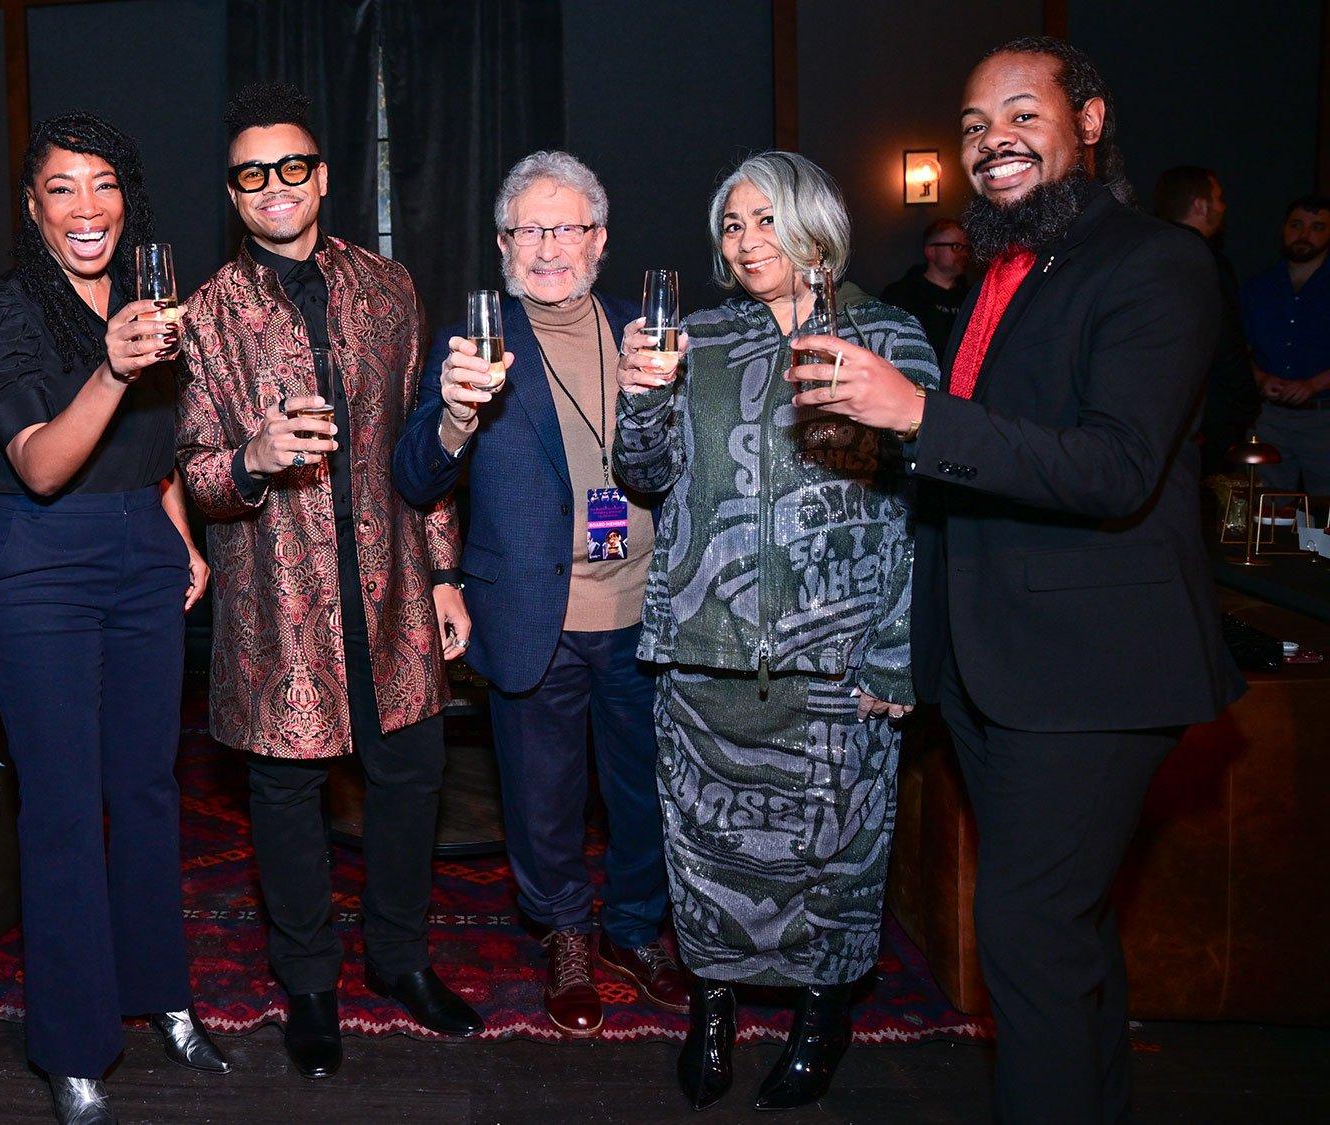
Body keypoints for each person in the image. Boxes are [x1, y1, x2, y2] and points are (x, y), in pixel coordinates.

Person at [787, 38, 1241, 1122]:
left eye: (1021, 115)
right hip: (1000, 670)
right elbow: (992, 456)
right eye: (974, 126)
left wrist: (918, 415)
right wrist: (896, 441)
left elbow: (1115, 467)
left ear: (1088, 121)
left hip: (1090, 674)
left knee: (1025, 935)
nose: (992, 140)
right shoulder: (1012, 271)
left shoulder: (1155, 262)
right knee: (1064, 933)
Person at [613, 150, 936, 1112]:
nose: (746, 242)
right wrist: (642, 398)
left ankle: (819, 1023)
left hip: (837, 658)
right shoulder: (696, 337)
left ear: (814, 225)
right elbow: (644, 475)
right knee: (704, 854)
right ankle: (711, 1014)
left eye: (765, 220)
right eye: (732, 224)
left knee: (837, 858)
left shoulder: (889, 335)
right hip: (705, 649)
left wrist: (894, 651)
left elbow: (920, 508)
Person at [176, 81, 483, 1081]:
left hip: (393, 583)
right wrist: (251, 459)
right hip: (276, 596)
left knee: (412, 775)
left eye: (292, 166)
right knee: (284, 792)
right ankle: (307, 983)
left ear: (321, 178)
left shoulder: (388, 289)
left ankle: (398, 958)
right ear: (232, 193)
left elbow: (423, 451)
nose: (274, 185)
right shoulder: (205, 317)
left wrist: (445, 573)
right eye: (251, 174)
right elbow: (194, 475)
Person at [0, 112, 223, 1125]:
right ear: (33, 209)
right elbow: (38, 464)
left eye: (102, 183)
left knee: (148, 788)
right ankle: (73, 1049)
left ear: (128, 200)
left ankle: (159, 990)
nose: (85, 206)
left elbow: (155, 451)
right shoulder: (1, 308)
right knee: (65, 806)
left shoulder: (149, 300)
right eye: (60, 187)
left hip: (138, 551)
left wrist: (179, 536)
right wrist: (112, 368)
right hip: (36, 563)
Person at [393, 150, 676, 1040]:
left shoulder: (647, 333)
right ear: (503, 245)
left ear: (599, 238)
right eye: (528, 230)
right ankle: (565, 935)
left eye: (566, 228)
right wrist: (453, 415)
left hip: (644, 614)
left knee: (644, 791)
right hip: (530, 615)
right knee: (543, 797)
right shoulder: (473, 348)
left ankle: (634, 928)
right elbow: (414, 477)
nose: (547, 247)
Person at [1153, 166, 1257, 474]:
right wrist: (1246, 403)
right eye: (1219, 198)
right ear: (1200, 205)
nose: (1223, 207)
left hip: (1158, 410)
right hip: (1208, 415)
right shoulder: (1206, 261)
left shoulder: (1146, 256)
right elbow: (1224, 342)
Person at [1241, 194, 1330, 491]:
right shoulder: (1259, 286)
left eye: (1318, 227)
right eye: (1297, 225)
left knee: (1325, 508)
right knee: (1264, 503)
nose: (1305, 235)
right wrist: (1261, 378)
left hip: (1323, 416)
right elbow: (1239, 349)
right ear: (1283, 228)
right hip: (1270, 417)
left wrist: (1313, 384)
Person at [879, 218, 971, 351]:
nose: (964, 254)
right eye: (956, 247)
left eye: (966, 248)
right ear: (931, 251)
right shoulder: (901, 295)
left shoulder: (972, 297)